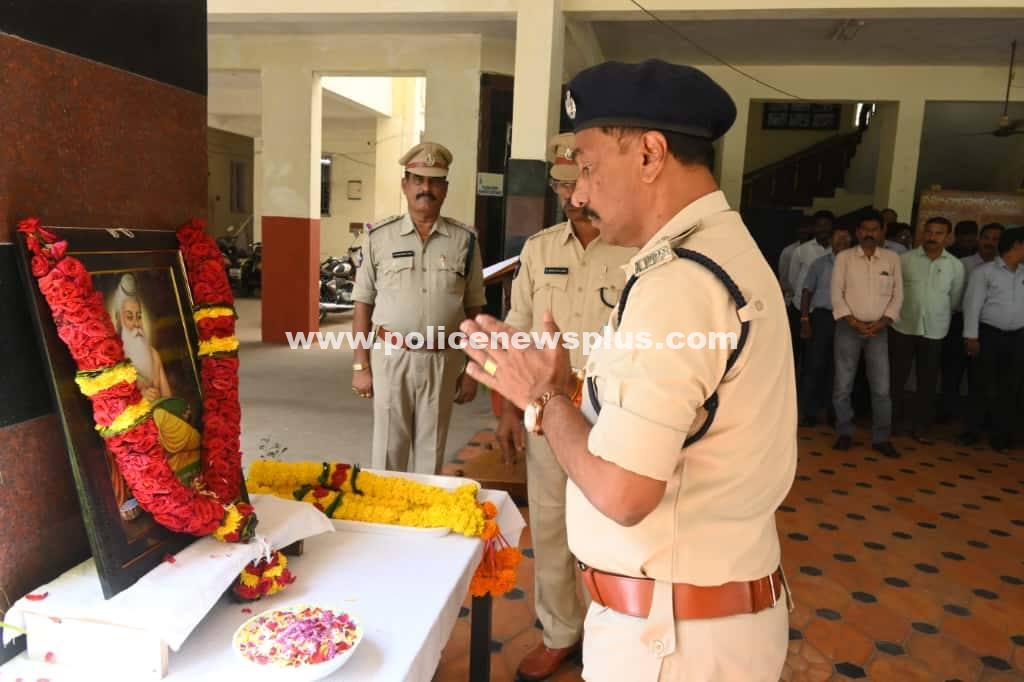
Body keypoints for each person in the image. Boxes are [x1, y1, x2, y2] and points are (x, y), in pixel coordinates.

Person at [459, 59, 796, 681]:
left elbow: (623, 493)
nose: (578, 192)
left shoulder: (680, 280)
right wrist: (564, 389)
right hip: (698, 619)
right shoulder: (721, 252)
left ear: (649, 155)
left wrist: (543, 399)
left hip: (671, 643)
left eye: (587, 165)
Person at [498, 132, 636, 681]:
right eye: (561, 182)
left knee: (617, 529)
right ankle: (559, 633)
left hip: (619, 416)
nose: (572, 193)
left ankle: (615, 634)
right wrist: (506, 409)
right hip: (550, 412)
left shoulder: (636, 248)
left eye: (579, 179)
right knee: (551, 525)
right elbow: (514, 334)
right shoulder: (539, 250)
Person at [351, 142, 486, 474]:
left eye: (435, 181)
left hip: (442, 361)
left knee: (431, 453)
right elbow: (362, 304)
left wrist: (473, 371)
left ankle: (422, 521)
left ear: (445, 188)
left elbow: (474, 311)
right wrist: (360, 366)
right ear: (405, 184)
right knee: (388, 453)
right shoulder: (379, 238)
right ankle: (385, 520)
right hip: (391, 358)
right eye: (418, 180)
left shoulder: (465, 241)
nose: (426, 188)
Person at [831, 211, 903, 457]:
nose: (870, 234)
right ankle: (844, 432)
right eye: (865, 229)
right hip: (848, 327)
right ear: (857, 232)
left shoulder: (892, 259)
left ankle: (881, 438)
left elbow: (898, 295)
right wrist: (852, 320)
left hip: (879, 330)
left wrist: (884, 321)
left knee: (882, 388)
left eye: (875, 229)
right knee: (843, 385)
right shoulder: (845, 258)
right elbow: (836, 294)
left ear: (882, 231)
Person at [888, 217, 964, 444]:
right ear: (923, 233)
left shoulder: (955, 266)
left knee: (928, 383)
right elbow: (893, 292)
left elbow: (955, 300)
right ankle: (893, 423)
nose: (933, 237)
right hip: (903, 326)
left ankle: (920, 426)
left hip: (935, 330)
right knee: (896, 378)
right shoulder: (905, 260)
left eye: (939, 233)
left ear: (948, 237)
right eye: (929, 232)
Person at [959, 226, 1024, 452]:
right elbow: (972, 305)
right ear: (1016, 245)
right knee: (980, 384)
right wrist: (971, 337)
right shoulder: (985, 272)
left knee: (1010, 387)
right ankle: (972, 431)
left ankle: (1001, 435)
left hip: (1017, 337)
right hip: (988, 334)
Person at [940, 223, 1005, 422]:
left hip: (987, 327)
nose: (990, 243)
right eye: (986, 238)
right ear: (979, 239)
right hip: (959, 322)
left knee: (981, 376)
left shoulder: (1005, 268)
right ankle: (946, 412)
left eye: (996, 239)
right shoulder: (963, 264)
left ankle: (977, 418)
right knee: (952, 371)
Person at [798, 225, 852, 426]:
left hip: (847, 319)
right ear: (831, 240)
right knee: (815, 365)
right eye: (839, 237)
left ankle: (833, 412)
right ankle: (809, 412)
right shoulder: (819, 264)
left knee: (839, 368)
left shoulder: (855, 264)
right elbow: (806, 291)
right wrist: (805, 319)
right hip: (822, 318)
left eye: (846, 238)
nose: (843, 241)